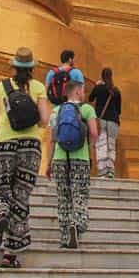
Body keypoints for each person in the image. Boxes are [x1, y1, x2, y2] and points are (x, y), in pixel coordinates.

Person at [0, 47, 51, 269]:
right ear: (32, 68)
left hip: (2, 143)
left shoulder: (1, 87)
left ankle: (2, 214)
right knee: (20, 196)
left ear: (13, 66)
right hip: (30, 146)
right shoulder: (39, 87)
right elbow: (44, 119)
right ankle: (10, 254)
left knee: (3, 189)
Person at [43, 77, 98, 248]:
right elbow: (94, 133)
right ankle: (77, 225)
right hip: (80, 159)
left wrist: (49, 163)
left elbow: (52, 139)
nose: (83, 94)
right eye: (82, 90)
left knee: (63, 197)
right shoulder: (87, 109)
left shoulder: (56, 111)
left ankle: (65, 235)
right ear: (77, 91)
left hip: (60, 158)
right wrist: (89, 148)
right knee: (79, 195)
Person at [88, 67, 122, 179]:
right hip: (113, 121)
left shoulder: (99, 88)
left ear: (102, 76)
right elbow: (119, 110)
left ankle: (102, 171)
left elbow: (90, 99)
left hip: (101, 120)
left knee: (101, 145)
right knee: (111, 146)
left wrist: (96, 85)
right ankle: (111, 171)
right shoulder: (116, 91)